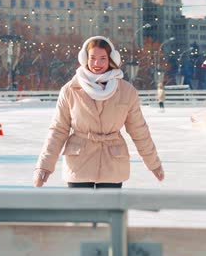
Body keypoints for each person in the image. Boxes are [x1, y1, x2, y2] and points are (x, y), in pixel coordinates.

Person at [33, 36, 165, 189]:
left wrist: (153, 164)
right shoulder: (70, 90)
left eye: (103, 58)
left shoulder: (126, 91)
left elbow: (139, 130)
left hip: (113, 163)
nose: (97, 63)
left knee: (109, 212)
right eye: (93, 58)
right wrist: (44, 166)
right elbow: (58, 130)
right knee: (81, 212)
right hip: (79, 163)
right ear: (85, 59)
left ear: (111, 59)